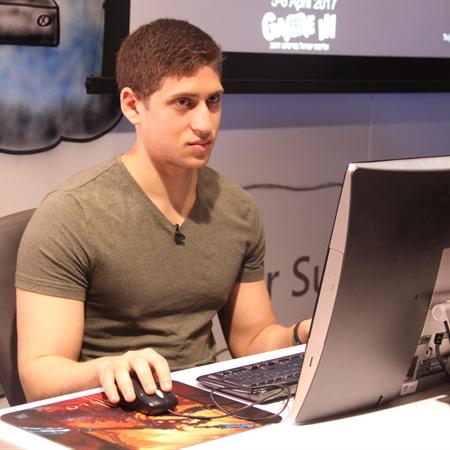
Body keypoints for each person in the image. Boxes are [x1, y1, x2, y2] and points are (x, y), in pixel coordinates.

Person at [15, 18, 311, 405]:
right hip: (110, 411)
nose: (204, 124)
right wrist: (107, 369)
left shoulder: (237, 208)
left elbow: (252, 339)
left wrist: (302, 334)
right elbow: (40, 375)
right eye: (184, 103)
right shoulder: (72, 213)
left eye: (213, 101)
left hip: (210, 407)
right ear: (132, 105)